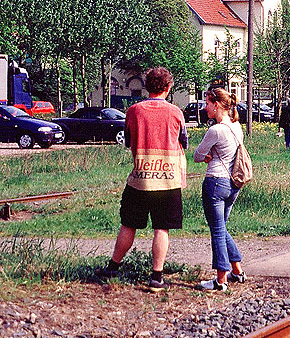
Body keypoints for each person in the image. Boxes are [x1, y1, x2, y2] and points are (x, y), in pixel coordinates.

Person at [96, 67, 187, 292]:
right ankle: (157, 276)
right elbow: (183, 142)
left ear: (146, 86)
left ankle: (113, 267)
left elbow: (128, 141)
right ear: (168, 87)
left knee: (128, 224)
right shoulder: (176, 112)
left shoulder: (134, 111)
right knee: (161, 228)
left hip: (140, 178)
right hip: (168, 179)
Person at [193, 87, 245, 291]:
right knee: (221, 228)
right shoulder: (237, 127)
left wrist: (206, 157)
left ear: (216, 105)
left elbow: (197, 155)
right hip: (233, 185)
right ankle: (237, 271)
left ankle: (220, 280)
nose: (205, 108)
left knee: (217, 230)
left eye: (207, 103)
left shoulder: (215, 130)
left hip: (215, 183)